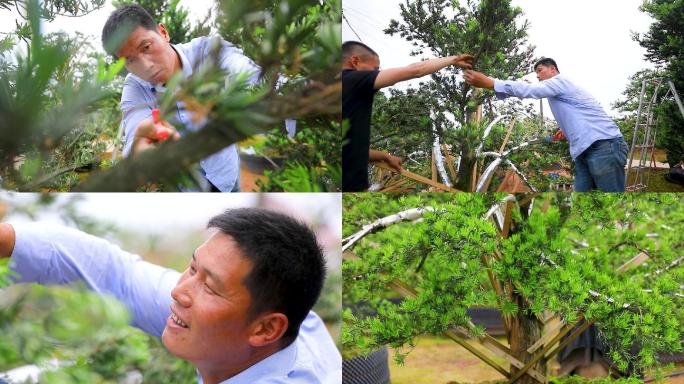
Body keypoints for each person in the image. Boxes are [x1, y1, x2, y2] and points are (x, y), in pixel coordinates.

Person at [0, 208, 341, 384]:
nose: (180, 291)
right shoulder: (283, 320)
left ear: (266, 330)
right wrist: (7, 239)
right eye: (193, 268)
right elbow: (116, 276)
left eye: (209, 286)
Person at [102, 5, 262, 192]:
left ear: (163, 32)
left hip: (226, 172)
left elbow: (246, 72)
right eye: (130, 60)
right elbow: (134, 132)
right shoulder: (135, 86)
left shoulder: (207, 51)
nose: (145, 66)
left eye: (146, 47)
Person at [463, 58, 628, 192]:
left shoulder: (560, 81)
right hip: (584, 151)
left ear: (553, 70)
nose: (538, 77)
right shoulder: (557, 93)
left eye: (540, 71)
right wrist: (565, 131)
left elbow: (531, 90)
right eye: (536, 74)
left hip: (603, 145)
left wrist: (491, 83)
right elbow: (578, 114)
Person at [342, 41, 474, 191]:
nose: (377, 73)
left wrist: (384, 156)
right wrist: (453, 59)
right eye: (375, 69)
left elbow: (346, 149)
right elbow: (415, 70)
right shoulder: (351, 79)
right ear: (355, 62)